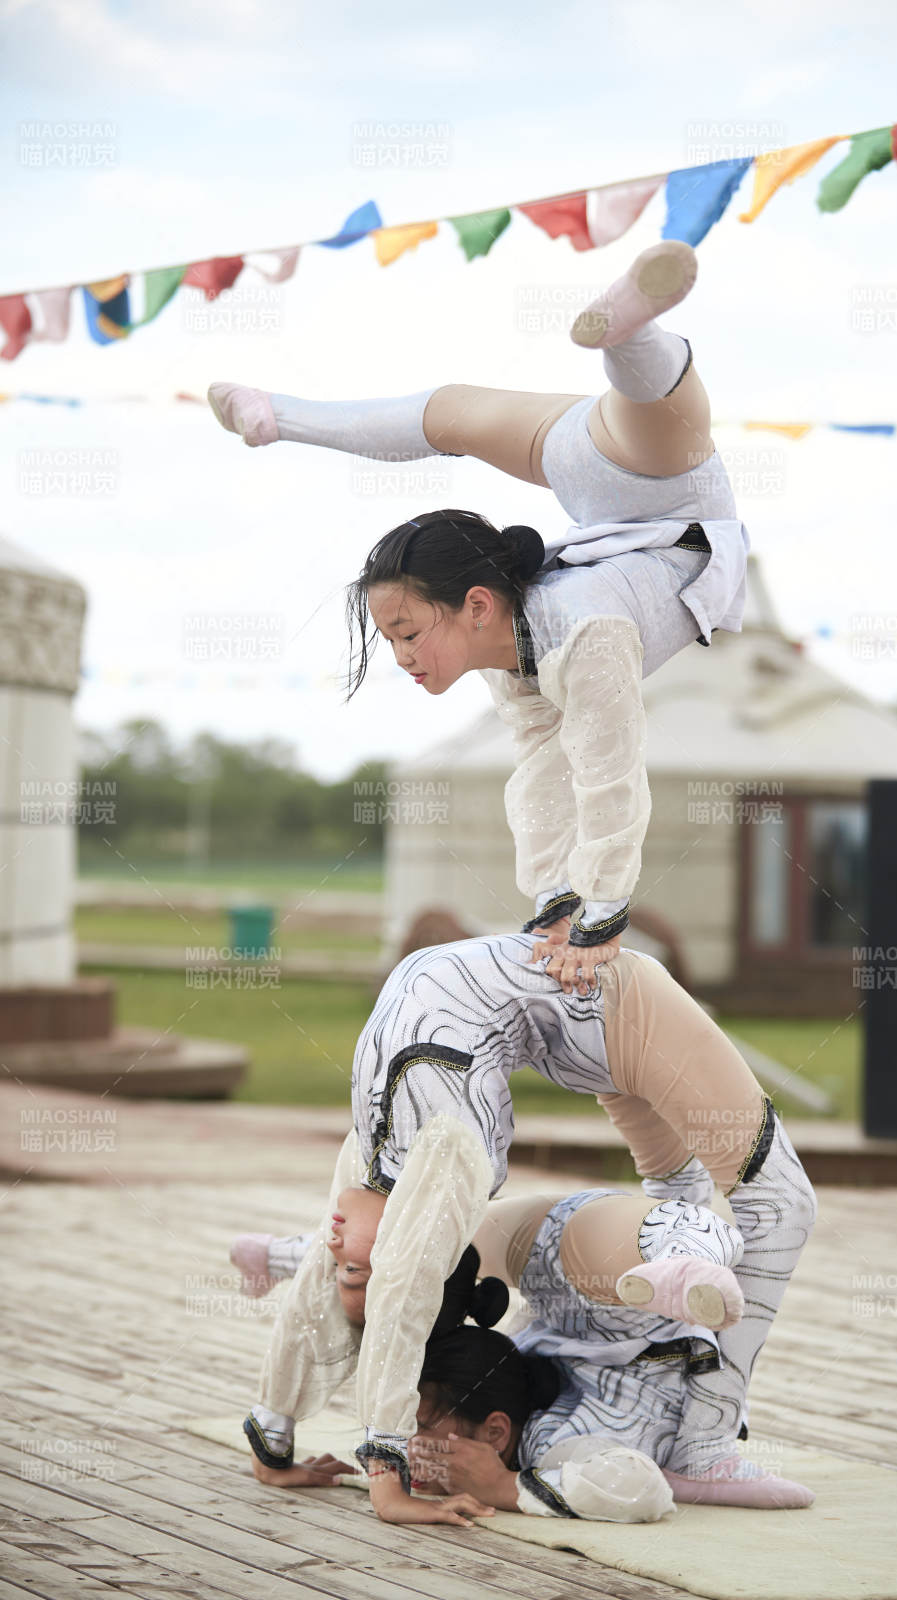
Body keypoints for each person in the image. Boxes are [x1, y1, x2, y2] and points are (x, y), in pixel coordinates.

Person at [207, 240, 751, 993]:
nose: (401, 656)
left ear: (476, 604)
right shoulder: (512, 648)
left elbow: (610, 772)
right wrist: (554, 899)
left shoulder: (583, 633)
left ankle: (632, 335)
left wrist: (601, 917)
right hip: (592, 485)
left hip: (673, 499)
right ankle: (276, 417)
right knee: (455, 415)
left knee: (661, 414)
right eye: (391, 640)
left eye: (406, 633)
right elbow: (541, 770)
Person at [231, 931, 816, 1521]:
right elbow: (383, 1290)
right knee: (753, 1205)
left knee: (762, 1206)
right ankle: (689, 1313)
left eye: (348, 1270)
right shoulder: (422, 1170)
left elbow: (391, 1292)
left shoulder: (395, 1158)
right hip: (586, 1022)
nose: (333, 1246)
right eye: (351, 1269)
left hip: (599, 1014)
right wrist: (279, 1439)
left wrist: (365, 1474)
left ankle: (703, 1440)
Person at [236, 1183, 815, 1522]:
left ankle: (288, 1255)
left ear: (494, 1432)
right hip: (587, 1267)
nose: (407, 1449)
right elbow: (643, 1488)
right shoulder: (534, 1418)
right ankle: (289, 1255)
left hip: (598, 1275)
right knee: (409, 1257)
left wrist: (505, 1490)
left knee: (399, 1264)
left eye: (417, 1428)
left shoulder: (547, 1442)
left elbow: (645, 1488)